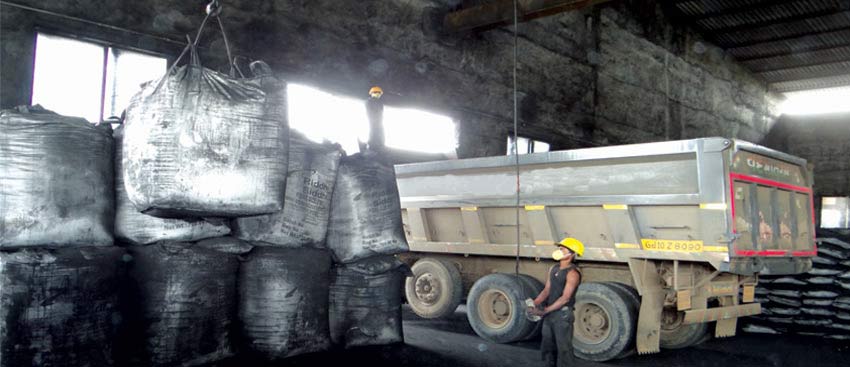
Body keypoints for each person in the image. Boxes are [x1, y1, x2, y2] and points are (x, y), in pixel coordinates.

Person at [529, 237, 584, 367]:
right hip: (550, 314)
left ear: (571, 253)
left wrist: (545, 310)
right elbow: (547, 290)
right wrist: (534, 303)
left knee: (564, 350)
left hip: (563, 316)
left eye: (562, 249)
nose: (559, 251)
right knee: (547, 347)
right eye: (559, 248)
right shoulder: (554, 268)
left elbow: (565, 298)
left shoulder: (573, 273)